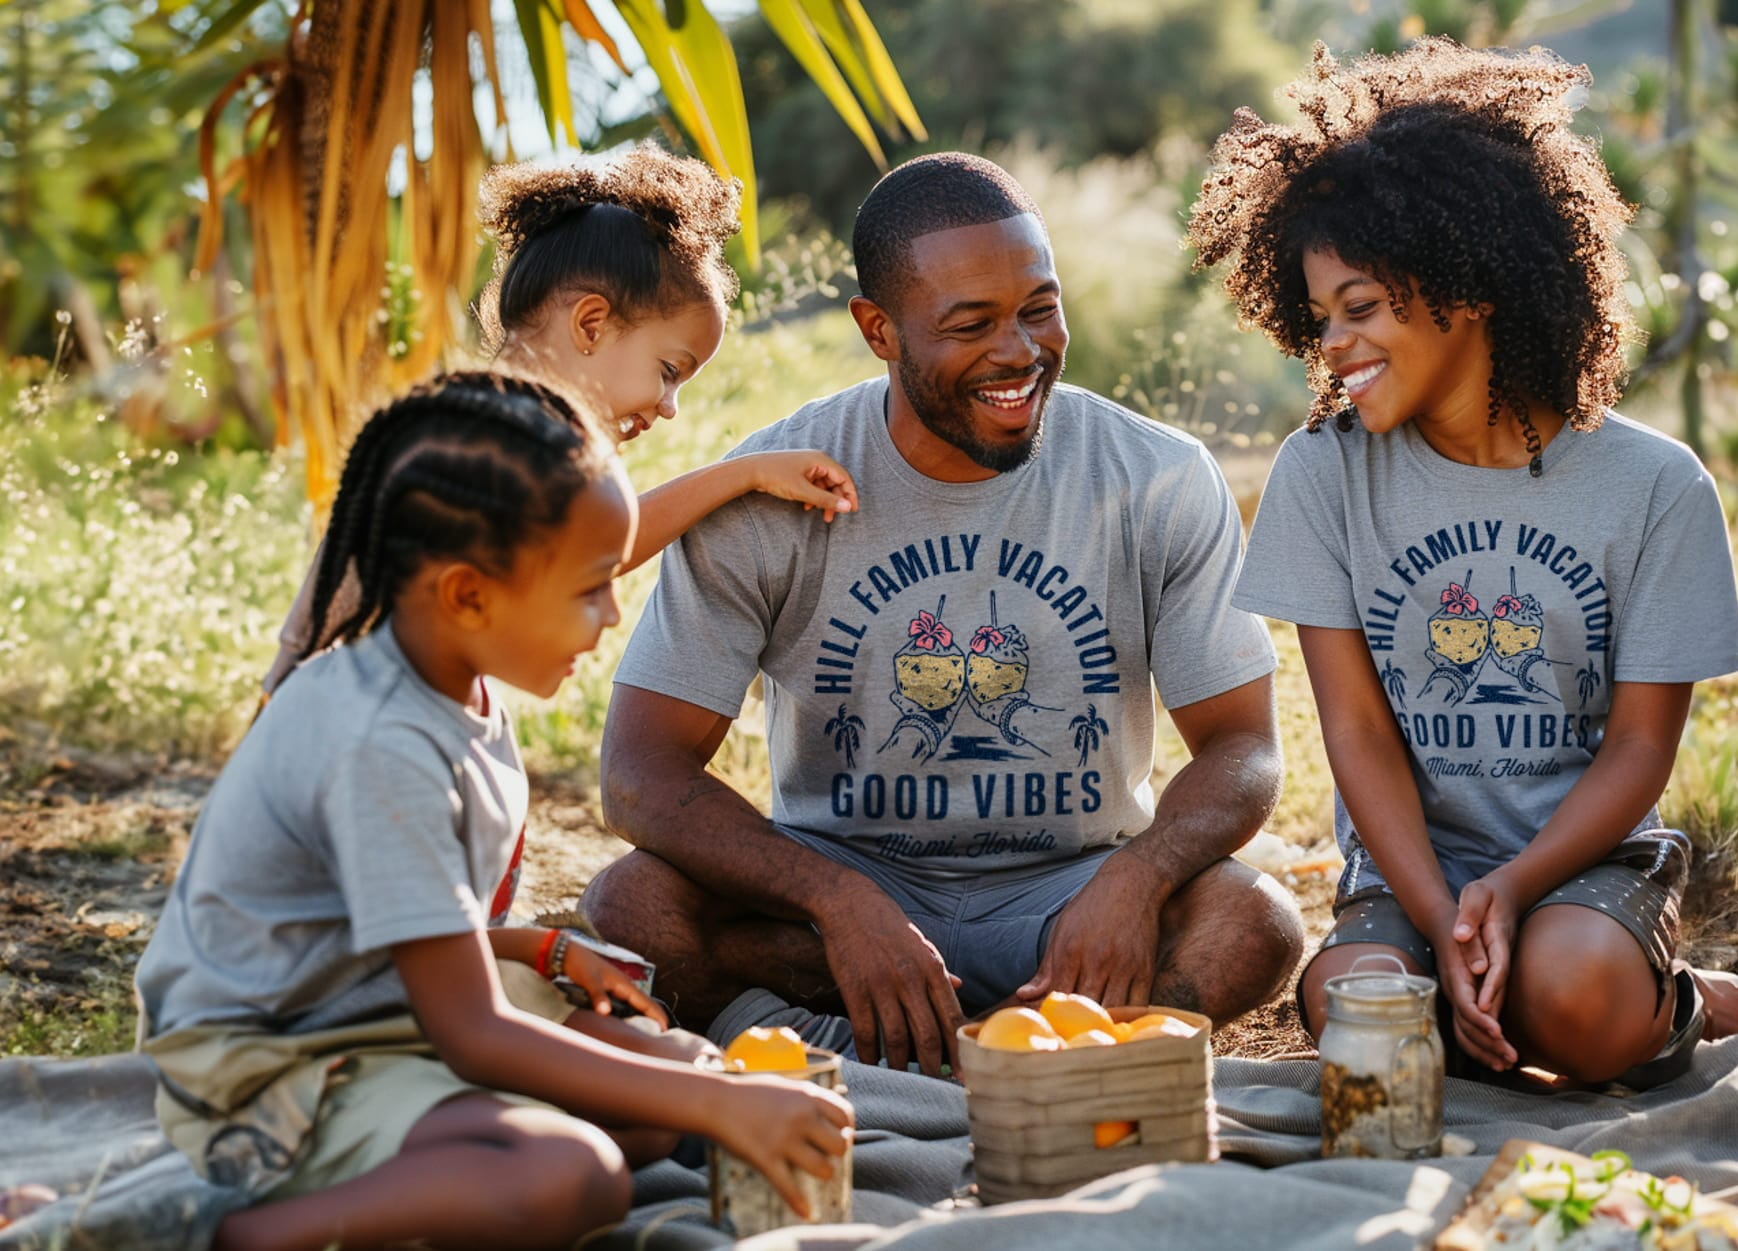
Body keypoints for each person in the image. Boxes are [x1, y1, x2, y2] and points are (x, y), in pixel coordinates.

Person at [579, 153, 1307, 1079]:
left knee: (1252, 924)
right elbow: (640, 774)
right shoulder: (774, 483)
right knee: (632, 909)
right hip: (839, 904)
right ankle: (994, 1054)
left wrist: (1139, 875)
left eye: (1039, 308)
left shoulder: (1156, 473)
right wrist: (835, 899)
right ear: (878, 331)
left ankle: (950, 1051)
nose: (1018, 351)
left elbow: (1243, 746)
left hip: (1065, 896)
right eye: (970, 324)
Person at [135, 374, 855, 1251]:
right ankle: (229, 1231)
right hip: (277, 1070)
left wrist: (537, 948)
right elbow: (473, 1031)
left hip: (380, 1019)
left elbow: (395, 926)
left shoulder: (456, 683)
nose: (613, 612)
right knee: (570, 1173)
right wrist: (725, 1103)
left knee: (673, 1075)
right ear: (470, 595)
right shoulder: (380, 741)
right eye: (591, 587)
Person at [1189, 40, 1738, 1088]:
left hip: (1582, 862)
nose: (1334, 348)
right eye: (1319, 321)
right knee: (1359, 1019)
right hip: (1410, 868)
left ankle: (1683, 999)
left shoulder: (1653, 487)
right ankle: (1495, 985)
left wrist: (1511, 889)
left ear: (1471, 286)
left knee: (1570, 1004)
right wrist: (1443, 916)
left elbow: (1637, 750)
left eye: (1359, 308)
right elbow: (1355, 732)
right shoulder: (1322, 474)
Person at [262, 144, 858, 697]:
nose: (669, 406)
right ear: (591, 324)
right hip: (349, 715)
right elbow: (597, 545)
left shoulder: (483, 415)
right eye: (670, 370)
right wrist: (742, 475)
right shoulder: (490, 435)